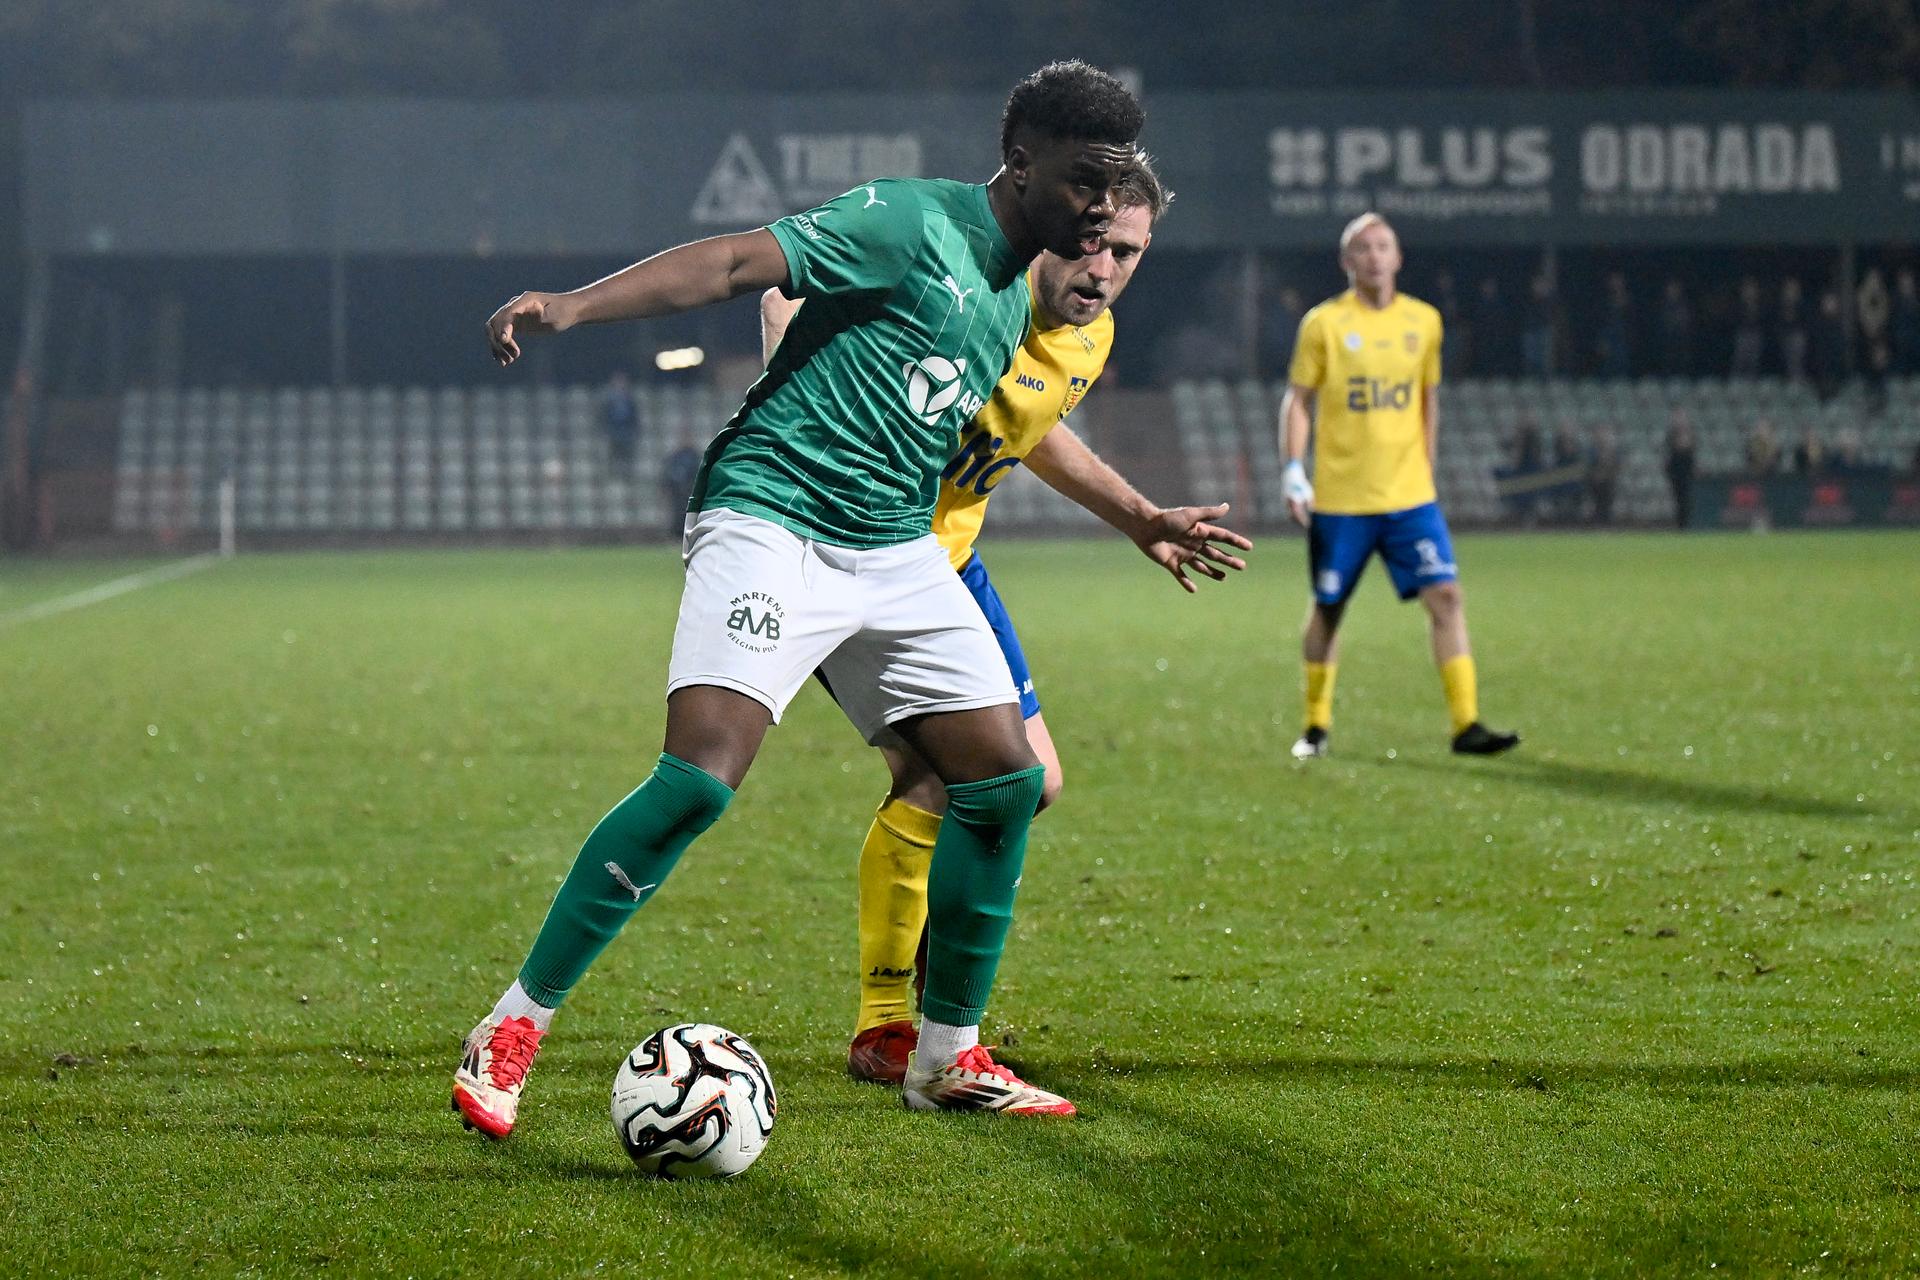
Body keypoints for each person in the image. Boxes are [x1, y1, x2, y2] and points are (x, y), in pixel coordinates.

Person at [454, 60, 1146, 1133]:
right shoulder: (910, 220)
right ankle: (513, 1023)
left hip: (892, 546)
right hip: (773, 515)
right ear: (1022, 161)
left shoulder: (1015, 291)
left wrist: (1141, 516)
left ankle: (944, 1053)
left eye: (1119, 180)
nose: (1104, 203)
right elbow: (739, 260)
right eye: (1087, 176)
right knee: (700, 779)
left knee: (1005, 781)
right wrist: (571, 306)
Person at [764, 157, 1249, 1085]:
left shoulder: (1089, 339)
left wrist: (1139, 518)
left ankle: (917, 1016)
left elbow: (1029, 429)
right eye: (1094, 242)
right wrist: (789, 331)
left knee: (1033, 783)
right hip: (856, 552)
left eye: (1130, 253)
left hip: (948, 564)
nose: (1104, 269)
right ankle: (892, 1026)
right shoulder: (966, 291)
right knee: (948, 776)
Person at [1279, 212, 1518, 759]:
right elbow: (1298, 400)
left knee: (1448, 597)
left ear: (1398, 257)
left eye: (1383, 246)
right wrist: (1294, 471)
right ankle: (1315, 725)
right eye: (1362, 248)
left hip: (1409, 497)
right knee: (1329, 608)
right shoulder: (1324, 324)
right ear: (1347, 262)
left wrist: (1427, 470)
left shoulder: (1425, 322)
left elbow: (1427, 400)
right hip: (1341, 499)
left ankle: (1466, 725)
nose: (1374, 256)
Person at [660, 431, 702, 538]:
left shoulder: (695, 456)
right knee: (677, 516)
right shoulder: (675, 456)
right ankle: (676, 536)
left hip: (691, 493)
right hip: (677, 494)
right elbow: (668, 474)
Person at [1664, 410, 1697, 528]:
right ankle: (1680, 525)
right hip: (1676, 472)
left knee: (1686, 499)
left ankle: (1685, 524)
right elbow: (1669, 452)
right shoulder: (1671, 435)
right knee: (1678, 499)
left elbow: (1692, 452)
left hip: (1687, 472)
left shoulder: (1691, 434)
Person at [601, 370, 640, 470]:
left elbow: (634, 416)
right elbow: (604, 416)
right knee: (612, 453)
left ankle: (627, 472)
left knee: (627, 454)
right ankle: (611, 471)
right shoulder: (608, 400)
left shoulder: (630, 399)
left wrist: (634, 430)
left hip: (627, 431)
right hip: (613, 430)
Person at [1588, 424, 1620, 524]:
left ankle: (1607, 524)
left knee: (1607, 504)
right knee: (1597, 505)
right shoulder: (1592, 449)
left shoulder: (1613, 450)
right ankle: (1598, 524)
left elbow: (1616, 465)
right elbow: (1590, 465)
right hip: (1595, 483)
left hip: (1608, 482)